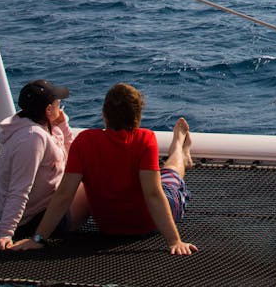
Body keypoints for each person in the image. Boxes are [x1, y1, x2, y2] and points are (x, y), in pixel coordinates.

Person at [11, 83, 196, 256]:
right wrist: (174, 241)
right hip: (146, 224)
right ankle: (179, 147)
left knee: (164, 177)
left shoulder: (84, 141)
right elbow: (154, 195)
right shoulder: (145, 139)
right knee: (171, 175)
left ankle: (180, 148)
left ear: (104, 114)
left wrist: (38, 238)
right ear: (138, 116)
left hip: (108, 225)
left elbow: (64, 194)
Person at [0, 79, 86, 250]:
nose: (60, 107)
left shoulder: (40, 126)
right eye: (57, 104)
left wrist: (62, 124)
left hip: (40, 208)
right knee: (90, 187)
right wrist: (5, 233)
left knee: (78, 178)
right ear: (48, 110)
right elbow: (20, 188)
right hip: (33, 221)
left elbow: (70, 157)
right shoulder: (32, 138)